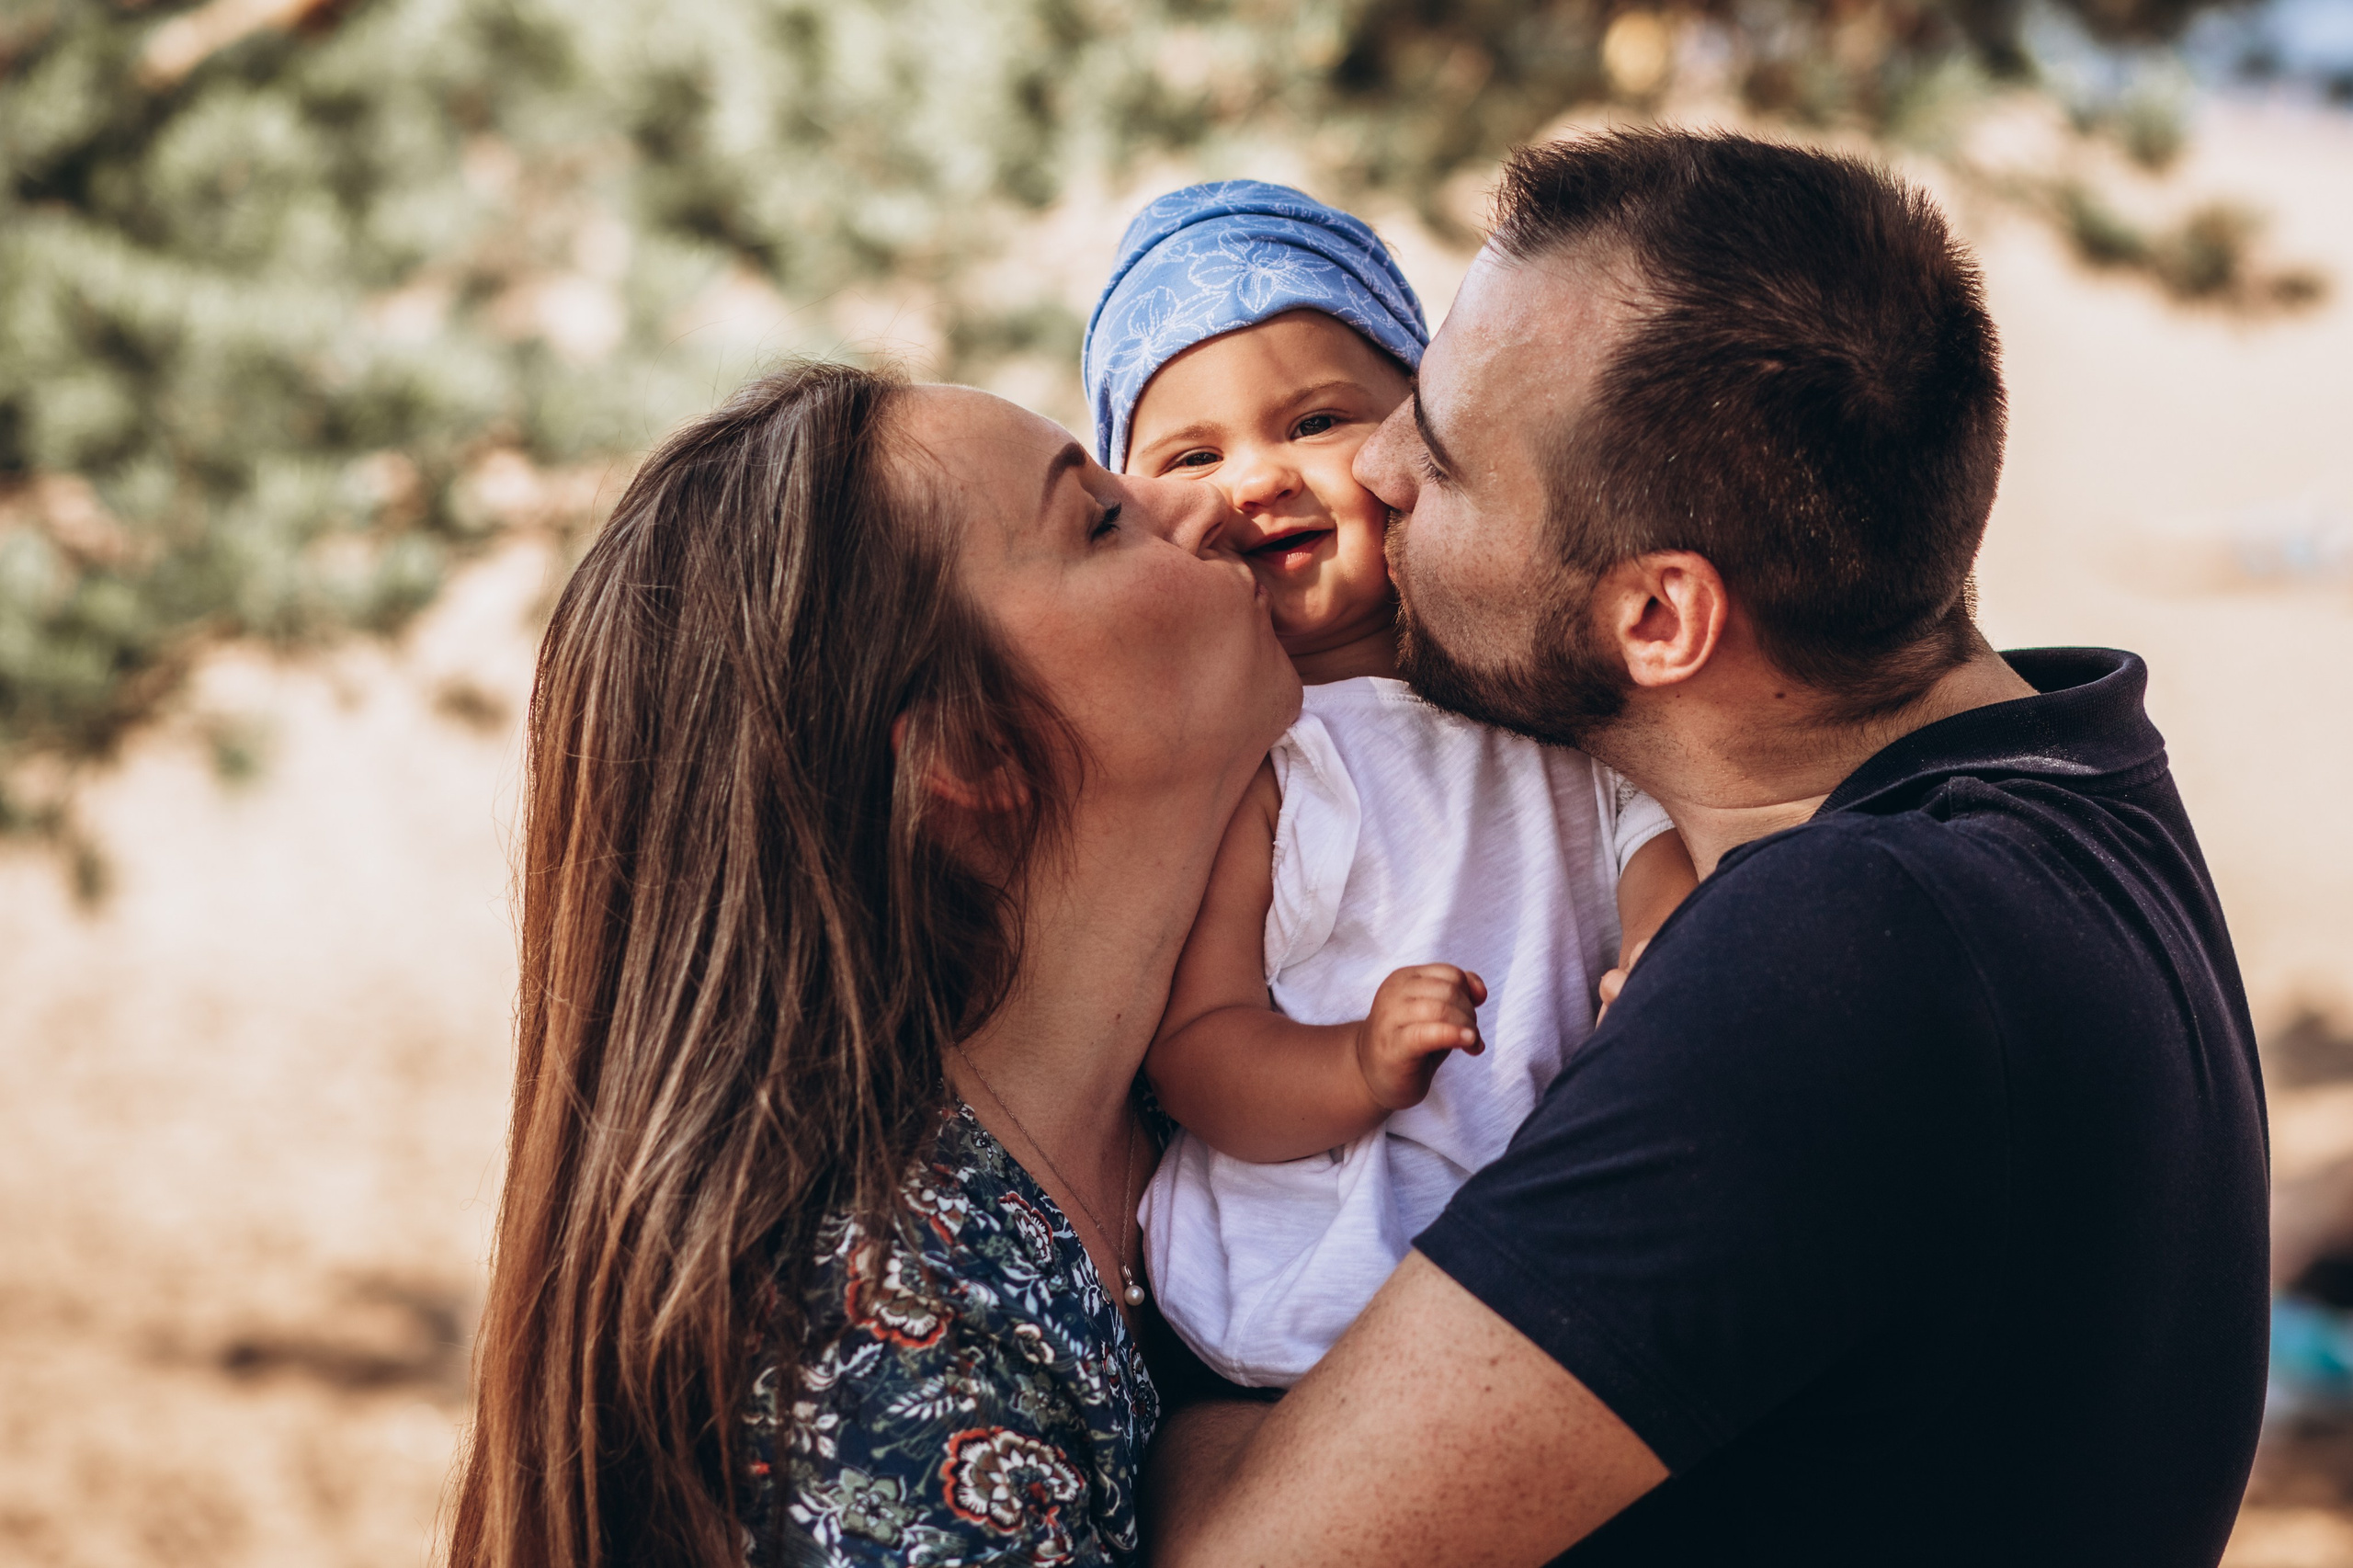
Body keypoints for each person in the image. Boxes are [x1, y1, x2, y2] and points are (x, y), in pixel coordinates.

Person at [1149, 130, 2268, 1566]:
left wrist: (1167, 1416)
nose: (1371, 471)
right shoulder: (2076, 781)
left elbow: (1251, 1555)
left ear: (1660, 619)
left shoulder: (1839, 954)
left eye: (1442, 456)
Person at [449, 362, 1298, 1567]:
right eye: (1102, 517)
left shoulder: (1242, 1089)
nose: (1202, 503)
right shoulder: (862, 1370)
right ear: (969, 744)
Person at [1080, 181, 1693, 1392]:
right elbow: (1199, 1052)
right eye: (1195, 456)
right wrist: (1356, 1062)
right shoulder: (1246, 760)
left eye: (1314, 423)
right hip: (1327, 1270)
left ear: (1418, 439)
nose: (1257, 480)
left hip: (1569, 1238)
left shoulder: (1536, 689)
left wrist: (1667, 977)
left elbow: (1652, 836)